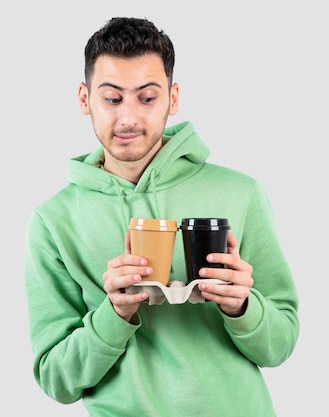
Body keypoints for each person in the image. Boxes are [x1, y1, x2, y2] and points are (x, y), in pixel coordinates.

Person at [24, 16, 299, 416]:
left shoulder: (241, 194)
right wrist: (114, 313)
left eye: (147, 98)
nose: (130, 118)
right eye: (112, 98)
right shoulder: (53, 221)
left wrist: (242, 306)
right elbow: (56, 379)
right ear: (85, 99)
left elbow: (282, 343)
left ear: (173, 97)